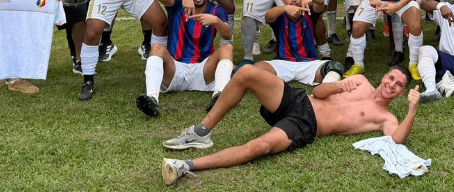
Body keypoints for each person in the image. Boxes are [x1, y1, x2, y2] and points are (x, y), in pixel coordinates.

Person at [160, 65, 420, 185]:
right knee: (247, 73)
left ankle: (186, 166)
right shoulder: (361, 81)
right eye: (391, 78)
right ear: (384, 75)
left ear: (401, 92)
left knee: (260, 146)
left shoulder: (385, 118)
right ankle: (201, 132)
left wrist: (412, 110)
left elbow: (396, 139)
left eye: (399, 85)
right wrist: (339, 85)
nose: (391, 85)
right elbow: (319, 93)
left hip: (306, 124)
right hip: (298, 99)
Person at [135, 0, 234, 118]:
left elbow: (227, 35)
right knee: (156, 48)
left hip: (203, 70)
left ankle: (220, 97)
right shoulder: (177, 5)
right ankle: (152, 99)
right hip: (176, 69)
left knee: (227, 48)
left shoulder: (217, 10)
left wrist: (216, 21)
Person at [256, 0, 345, 86]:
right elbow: (268, 16)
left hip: (309, 64)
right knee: (256, 67)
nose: (293, 0)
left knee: (336, 66)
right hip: (282, 63)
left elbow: (321, 1)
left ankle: (326, 88)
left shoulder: (310, 13)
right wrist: (285, 8)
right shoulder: (279, 16)